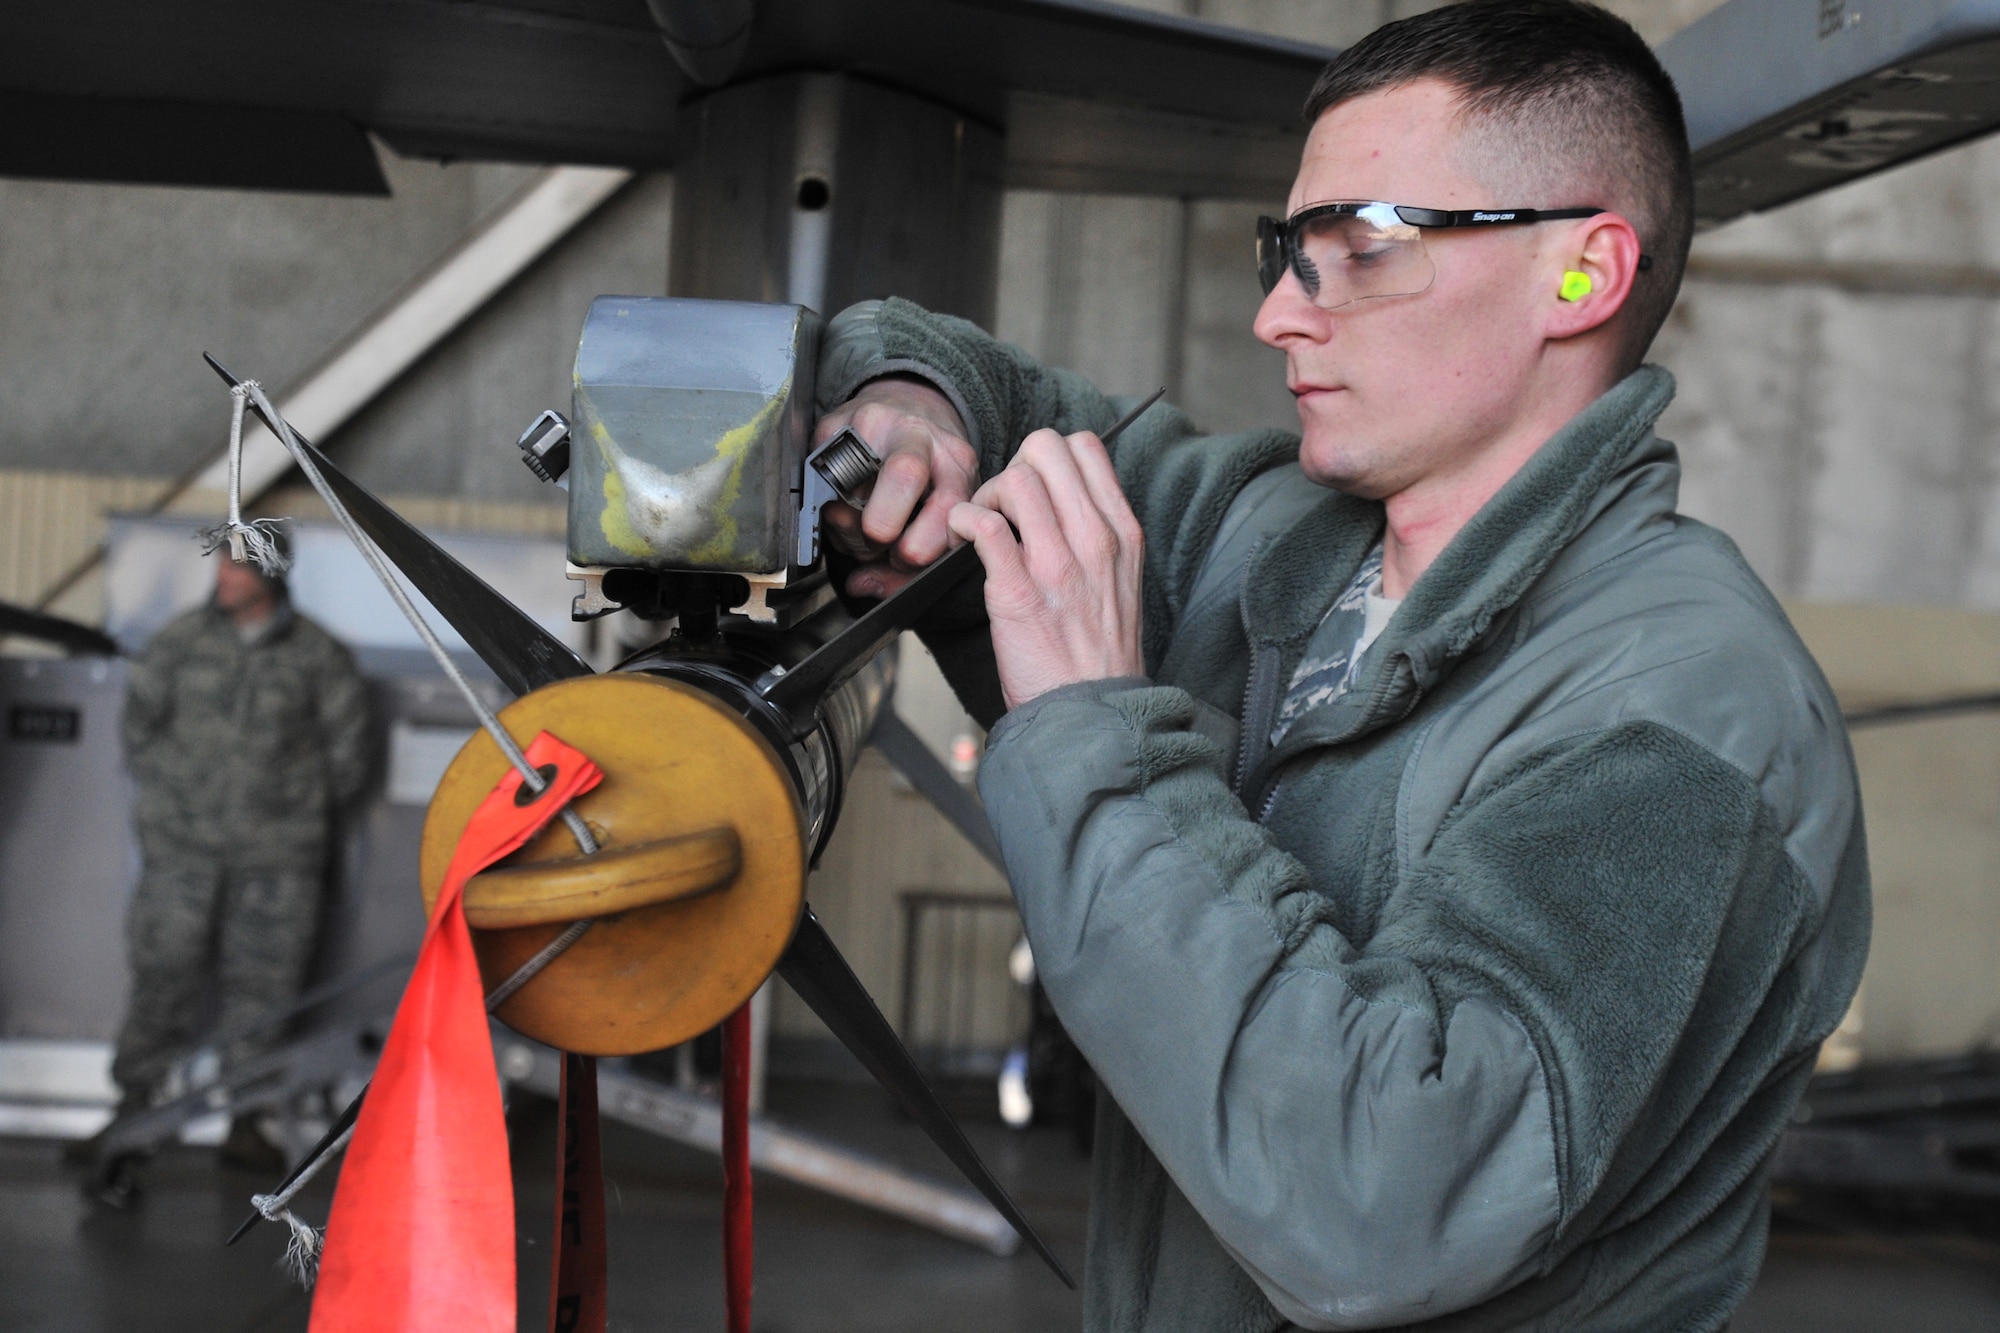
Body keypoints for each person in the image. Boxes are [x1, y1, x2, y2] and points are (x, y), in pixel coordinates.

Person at [808, 1, 1870, 1328]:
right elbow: (992, 401)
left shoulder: (1684, 716)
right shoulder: (1274, 541)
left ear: (1585, 274)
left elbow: (1378, 1198)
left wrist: (1093, 727)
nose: (1277, 316)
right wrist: (913, 403)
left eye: (1361, 248)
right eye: (1288, 250)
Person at [107, 540, 370, 1176]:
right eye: (222, 564)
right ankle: (133, 1109)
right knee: (162, 973)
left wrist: (287, 813)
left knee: (265, 989)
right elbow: (137, 730)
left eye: (239, 566)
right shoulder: (179, 643)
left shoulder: (317, 656)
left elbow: (349, 757)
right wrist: (178, 806)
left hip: (278, 862)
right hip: (182, 853)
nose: (225, 577)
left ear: (271, 574)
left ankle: (248, 1121)